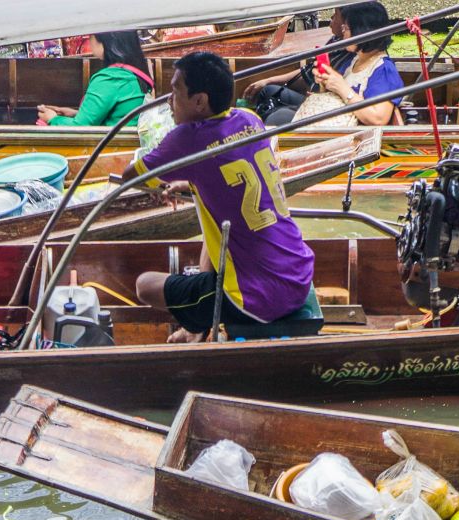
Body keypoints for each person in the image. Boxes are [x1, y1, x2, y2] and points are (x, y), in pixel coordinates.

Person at [122, 52, 322, 343]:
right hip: (297, 273)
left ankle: (196, 327)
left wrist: (181, 160)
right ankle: (197, 326)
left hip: (257, 298)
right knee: (213, 219)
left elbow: (131, 176)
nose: (168, 100)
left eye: (176, 91)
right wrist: (191, 182)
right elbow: (225, 171)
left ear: (200, 101)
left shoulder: (188, 139)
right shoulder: (250, 119)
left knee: (144, 286)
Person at [253, 4, 406, 129]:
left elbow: (378, 118)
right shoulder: (356, 60)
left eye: (346, 29)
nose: (343, 35)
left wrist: (341, 87)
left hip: (342, 134)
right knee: (276, 114)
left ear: (362, 31)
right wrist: (325, 86)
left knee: (276, 118)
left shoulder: (383, 70)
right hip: (329, 120)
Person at [37, 32, 154, 127]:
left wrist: (53, 118)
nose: (90, 39)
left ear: (104, 41)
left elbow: (80, 127)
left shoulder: (110, 78)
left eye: (91, 36)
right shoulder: (134, 72)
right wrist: (75, 114)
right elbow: (118, 113)